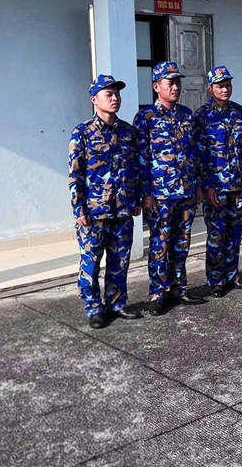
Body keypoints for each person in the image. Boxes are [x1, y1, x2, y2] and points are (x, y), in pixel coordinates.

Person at [68, 74, 142, 329]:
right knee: (90, 263)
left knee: (119, 261)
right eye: (108, 94)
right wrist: (78, 208)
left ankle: (117, 303)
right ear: (94, 99)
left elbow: (135, 168)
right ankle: (93, 308)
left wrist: (136, 197)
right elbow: (75, 173)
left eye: (117, 94)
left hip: (122, 209)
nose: (114, 98)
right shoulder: (82, 132)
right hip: (94, 212)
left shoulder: (128, 132)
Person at [134, 61, 206, 316]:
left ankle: (178, 287)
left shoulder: (187, 115)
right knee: (160, 245)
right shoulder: (145, 118)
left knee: (182, 243)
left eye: (177, 82)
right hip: (160, 195)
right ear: (156, 86)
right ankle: (158, 292)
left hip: (186, 192)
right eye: (170, 83)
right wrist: (146, 193)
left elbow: (194, 153)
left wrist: (198, 186)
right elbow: (141, 159)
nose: (175, 87)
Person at [193, 65, 242, 297]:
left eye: (228, 85)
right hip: (216, 188)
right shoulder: (201, 116)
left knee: (235, 233)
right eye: (220, 85)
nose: (225, 89)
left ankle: (232, 275)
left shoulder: (239, 112)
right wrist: (206, 185)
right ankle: (216, 279)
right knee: (216, 234)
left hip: (237, 185)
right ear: (210, 88)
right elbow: (199, 155)